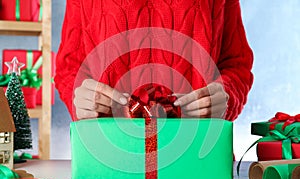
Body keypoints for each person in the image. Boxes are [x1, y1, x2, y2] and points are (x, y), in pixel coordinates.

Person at [55, 0, 253, 121]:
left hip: (198, 155)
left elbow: (237, 64)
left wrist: (226, 96)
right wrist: (81, 99)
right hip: (110, 158)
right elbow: (70, 66)